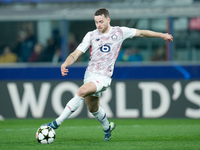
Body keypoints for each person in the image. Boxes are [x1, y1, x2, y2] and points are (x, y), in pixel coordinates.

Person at [44, 8, 173, 141]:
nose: (98, 25)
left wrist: (162, 35)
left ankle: (56, 123)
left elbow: (141, 33)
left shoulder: (119, 32)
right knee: (93, 108)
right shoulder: (91, 35)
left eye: (101, 21)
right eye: (96, 22)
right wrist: (65, 63)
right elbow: (76, 53)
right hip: (89, 75)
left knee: (81, 91)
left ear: (108, 20)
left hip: (103, 77)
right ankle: (107, 127)